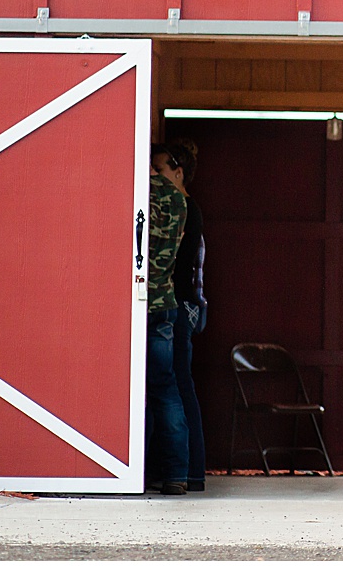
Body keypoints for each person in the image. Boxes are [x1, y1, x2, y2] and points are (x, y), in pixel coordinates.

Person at [144, 142, 192, 496]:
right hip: (166, 300)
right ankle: (176, 474)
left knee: (129, 391)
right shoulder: (178, 198)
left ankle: (133, 469)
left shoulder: (134, 193)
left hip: (136, 303)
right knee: (166, 390)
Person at [168, 140, 209, 493]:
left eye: (160, 171)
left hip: (181, 305)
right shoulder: (181, 207)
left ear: (178, 172)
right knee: (178, 385)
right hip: (184, 304)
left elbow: (182, 268)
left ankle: (192, 471)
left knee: (180, 385)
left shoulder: (184, 209)